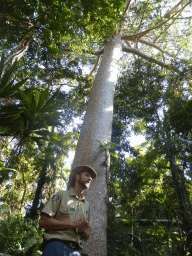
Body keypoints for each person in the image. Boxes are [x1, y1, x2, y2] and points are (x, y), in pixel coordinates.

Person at [39, 165, 97, 256]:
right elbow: (43, 221)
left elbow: (87, 235)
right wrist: (72, 224)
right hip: (56, 246)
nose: (90, 179)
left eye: (91, 177)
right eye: (87, 175)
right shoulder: (61, 195)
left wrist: (82, 231)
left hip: (76, 252)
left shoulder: (87, 205)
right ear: (77, 176)